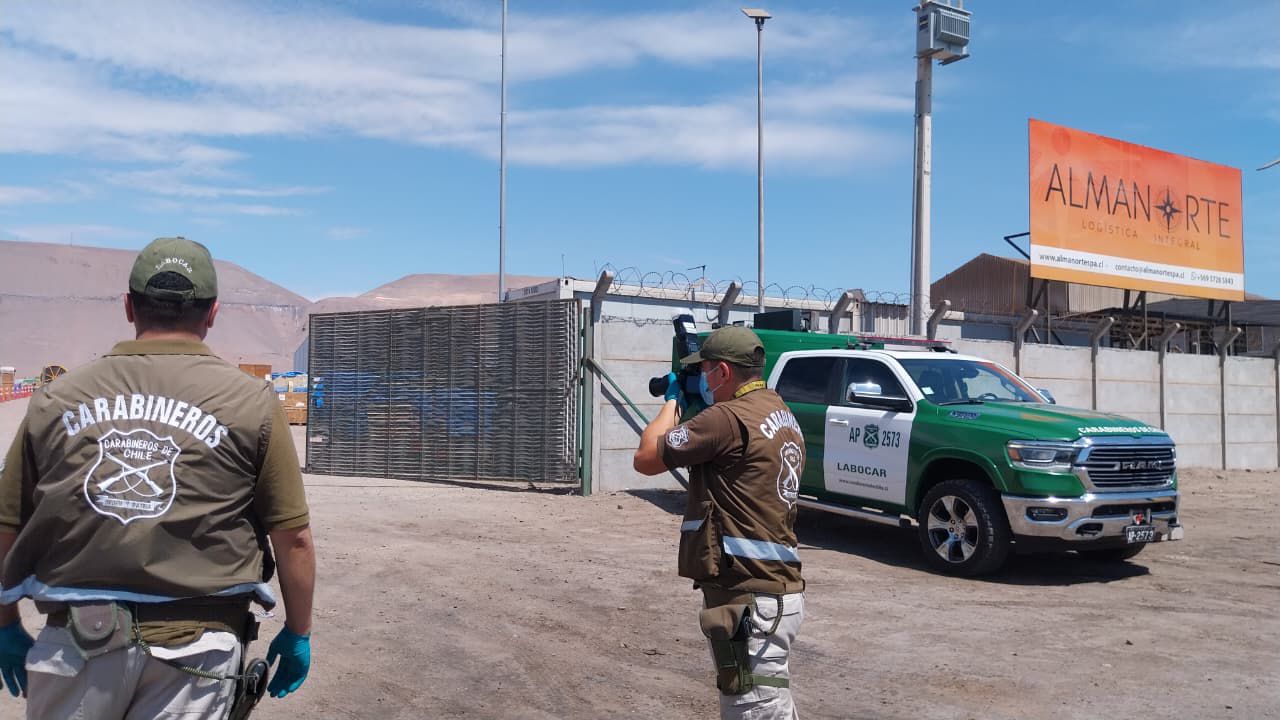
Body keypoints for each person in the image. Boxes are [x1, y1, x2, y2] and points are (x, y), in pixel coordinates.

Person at [0, 237, 316, 719]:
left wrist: (4, 623)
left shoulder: (56, 399)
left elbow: (6, 524)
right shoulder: (251, 403)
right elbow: (293, 538)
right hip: (197, 656)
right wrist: (298, 631)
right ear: (213, 313)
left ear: (128, 307)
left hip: (76, 645)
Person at [633, 325, 806, 720]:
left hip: (749, 599)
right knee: (771, 706)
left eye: (705, 371)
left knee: (753, 708)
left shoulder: (725, 419)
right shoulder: (778, 410)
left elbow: (645, 458)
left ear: (723, 372)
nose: (703, 380)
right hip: (774, 590)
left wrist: (673, 400)